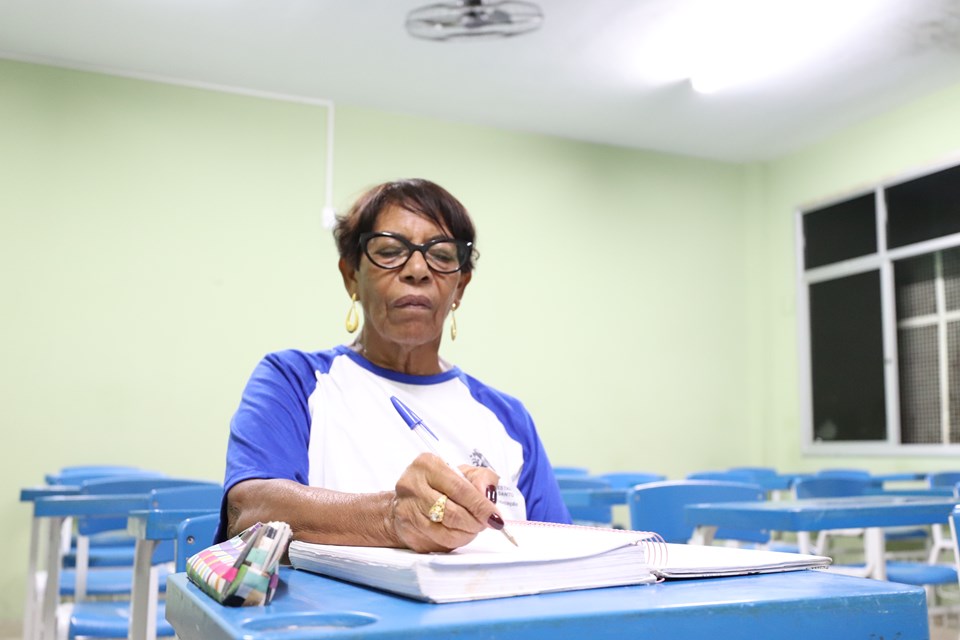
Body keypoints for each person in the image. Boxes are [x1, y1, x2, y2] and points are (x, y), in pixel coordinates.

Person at [218, 178, 571, 553]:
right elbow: (246, 512)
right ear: (351, 276)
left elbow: (562, 548)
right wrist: (390, 518)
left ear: (460, 287)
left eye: (441, 256)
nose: (417, 269)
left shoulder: (507, 418)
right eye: (389, 251)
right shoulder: (294, 380)